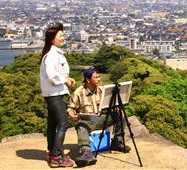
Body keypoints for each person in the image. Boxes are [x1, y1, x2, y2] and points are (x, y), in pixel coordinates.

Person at [68, 67, 131, 167]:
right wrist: (74, 115)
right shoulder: (78, 92)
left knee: (121, 115)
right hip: (87, 121)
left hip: (102, 119)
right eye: (96, 77)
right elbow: (70, 109)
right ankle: (86, 152)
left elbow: (111, 104)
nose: (99, 79)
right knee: (81, 125)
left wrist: (117, 110)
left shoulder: (102, 90)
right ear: (88, 79)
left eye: (99, 77)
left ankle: (117, 143)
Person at [40, 22, 75, 167]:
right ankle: (56, 156)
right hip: (54, 94)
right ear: (52, 38)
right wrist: (65, 81)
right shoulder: (51, 55)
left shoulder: (54, 53)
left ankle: (52, 151)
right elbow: (52, 76)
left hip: (54, 93)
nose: (63, 38)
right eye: (60, 36)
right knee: (63, 123)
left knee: (53, 123)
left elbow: (57, 74)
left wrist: (66, 79)